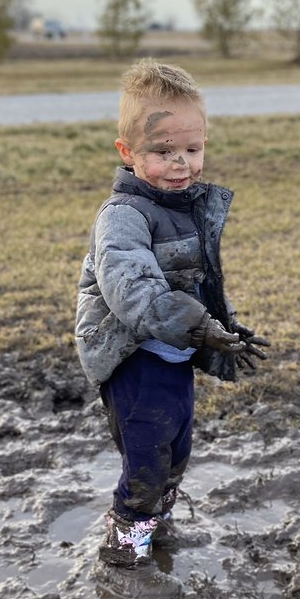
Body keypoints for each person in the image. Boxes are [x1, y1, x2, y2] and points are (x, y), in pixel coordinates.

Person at [75, 59, 269, 567]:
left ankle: (155, 529)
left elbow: (197, 279)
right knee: (147, 457)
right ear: (128, 153)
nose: (181, 163)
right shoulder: (124, 217)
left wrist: (224, 327)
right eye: (163, 152)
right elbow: (133, 290)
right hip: (133, 356)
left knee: (176, 448)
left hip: (174, 351)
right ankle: (125, 555)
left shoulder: (185, 205)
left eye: (192, 149)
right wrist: (200, 328)